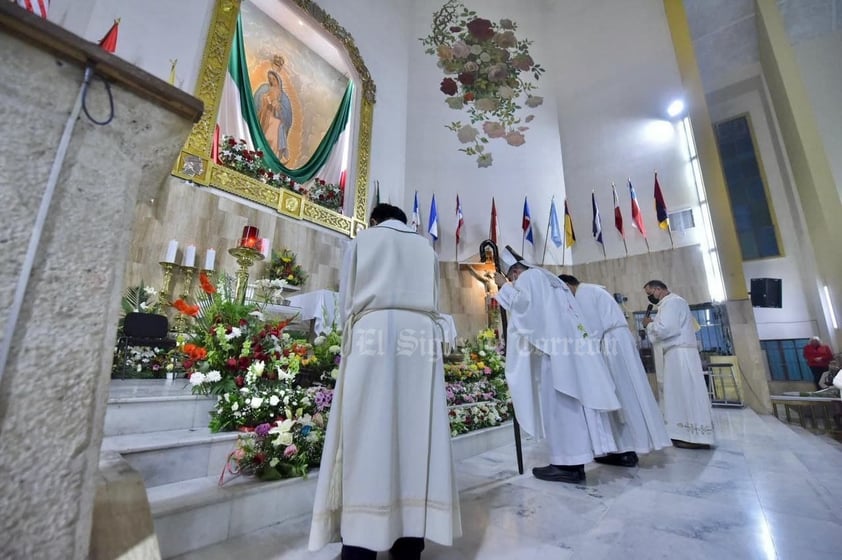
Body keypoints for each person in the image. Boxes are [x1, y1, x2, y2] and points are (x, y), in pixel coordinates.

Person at [309, 204, 461, 559]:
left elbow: (348, 300)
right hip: (421, 336)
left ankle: (361, 544)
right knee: (418, 434)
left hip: (373, 332)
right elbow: (435, 300)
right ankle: (409, 541)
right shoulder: (425, 248)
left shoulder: (365, 238)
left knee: (367, 431)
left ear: (375, 219)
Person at [494, 248, 621, 484]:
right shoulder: (551, 279)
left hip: (555, 357)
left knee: (560, 407)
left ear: (516, 271)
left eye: (512, 277)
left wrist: (504, 287)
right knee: (570, 406)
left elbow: (524, 308)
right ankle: (574, 463)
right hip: (570, 351)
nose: (514, 281)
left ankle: (566, 465)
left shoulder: (530, 277)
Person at [560, 275, 671, 466]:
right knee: (624, 394)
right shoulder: (593, 290)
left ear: (568, 285)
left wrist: (581, 353)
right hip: (616, 342)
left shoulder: (584, 294)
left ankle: (628, 449)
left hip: (612, 345)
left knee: (621, 394)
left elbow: (591, 329)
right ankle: (626, 447)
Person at [642, 280, 714, 449]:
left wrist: (649, 325)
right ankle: (687, 434)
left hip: (680, 356)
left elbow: (666, 329)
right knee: (681, 394)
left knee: (685, 393)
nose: (649, 297)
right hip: (678, 354)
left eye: (650, 293)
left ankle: (693, 436)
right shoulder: (670, 303)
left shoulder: (672, 302)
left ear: (659, 289)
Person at [254, 69, 293, 163]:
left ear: (278, 80)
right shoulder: (266, 89)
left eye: (273, 79)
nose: (272, 81)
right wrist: (265, 100)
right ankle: (260, 154)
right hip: (266, 116)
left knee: (273, 136)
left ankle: (271, 158)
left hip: (276, 120)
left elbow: (287, 115)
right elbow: (259, 101)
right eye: (270, 79)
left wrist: (278, 106)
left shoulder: (284, 97)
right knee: (263, 136)